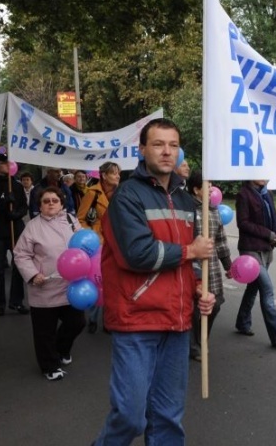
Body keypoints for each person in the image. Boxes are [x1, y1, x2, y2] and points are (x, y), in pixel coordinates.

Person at [93, 118, 214, 445]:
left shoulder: (187, 199)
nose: (166, 152)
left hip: (176, 322)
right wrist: (190, 251)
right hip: (137, 320)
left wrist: (199, 290)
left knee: (168, 418)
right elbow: (135, 254)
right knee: (130, 417)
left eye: (173, 145)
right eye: (158, 144)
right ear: (142, 149)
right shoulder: (127, 196)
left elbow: (186, 265)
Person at [14, 186, 87, 381]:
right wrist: (32, 275)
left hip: (70, 286)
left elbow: (83, 245)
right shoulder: (33, 226)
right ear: (40, 205)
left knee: (77, 322)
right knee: (44, 332)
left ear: (62, 202)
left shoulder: (72, 221)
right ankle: (49, 365)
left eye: (55, 200)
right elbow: (20, 254)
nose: (51, 204)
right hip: (44, 287)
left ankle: (61, 349)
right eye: (46, 201)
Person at [234, 179, 276, 349]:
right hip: (251, 250)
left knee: (253, 288)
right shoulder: (243, 194)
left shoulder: (267, 193)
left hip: (266, 250)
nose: (265, 176)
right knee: (267, 291)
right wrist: (268, 234)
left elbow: (275, 218)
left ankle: (242, 322)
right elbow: (243, 223)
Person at [186, 169, 233, 361]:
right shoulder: (187, 211)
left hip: (212, 267)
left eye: (211, 184)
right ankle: (195, 345)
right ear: (196, 189)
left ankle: (202, 339)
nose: (212, 188)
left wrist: (228, 264)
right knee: (198, 308)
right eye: (207, 184)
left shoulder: (214, 211)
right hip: (193, 267)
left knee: (216, 305)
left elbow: (221, 241)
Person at [0, 153, 29, 316]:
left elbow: (24, 206)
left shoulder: (15, 184)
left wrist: (17, 214)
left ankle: (17, 301)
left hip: (15, 230)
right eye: (3, 163)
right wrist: (3, 204)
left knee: (18, 268)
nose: (7, 166)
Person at [76, 161, 121, 334]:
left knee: (113, 282)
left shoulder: (121, 193)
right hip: (98, 244)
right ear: (103, 175)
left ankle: (108, 320)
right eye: (114, 173)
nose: (117, 176)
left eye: (118, 173)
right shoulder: (92, 193)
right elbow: (80, 219)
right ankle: (94, 317)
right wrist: (92, 236)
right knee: (98, 280)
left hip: (116, 243)